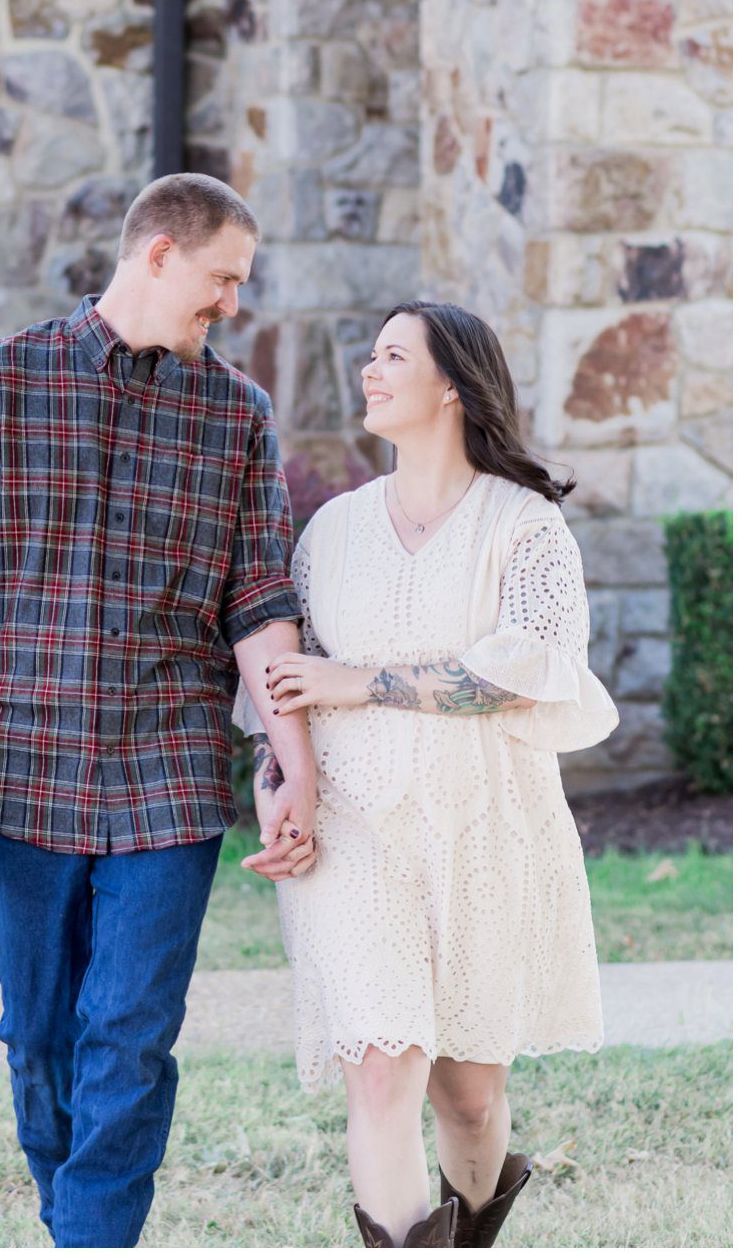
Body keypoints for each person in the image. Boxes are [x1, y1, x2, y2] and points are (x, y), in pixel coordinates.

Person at [0, 172, 321, 1249]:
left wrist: (293, 763)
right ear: (157, 254)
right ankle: (72, 1226)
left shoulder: (236, 415)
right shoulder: (1, 381)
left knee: (129, 1036)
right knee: (38, 1037)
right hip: (18, 775)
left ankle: (93, 1240)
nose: (230, 302)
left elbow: (259, 603)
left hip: (169, 778)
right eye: (221, 277)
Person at [244, 301, 616, 1248]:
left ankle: (476, 1227)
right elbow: (281, 692)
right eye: (369, 355)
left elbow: (518, 672)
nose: (369, 371)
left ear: (452, 382)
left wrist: (356, 681)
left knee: (469, 1097)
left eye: (393, 356)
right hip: (355, 829)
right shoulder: (330, 530)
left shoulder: (525, 528)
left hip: (487, 825)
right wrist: (275, 789)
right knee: (381, 1065)